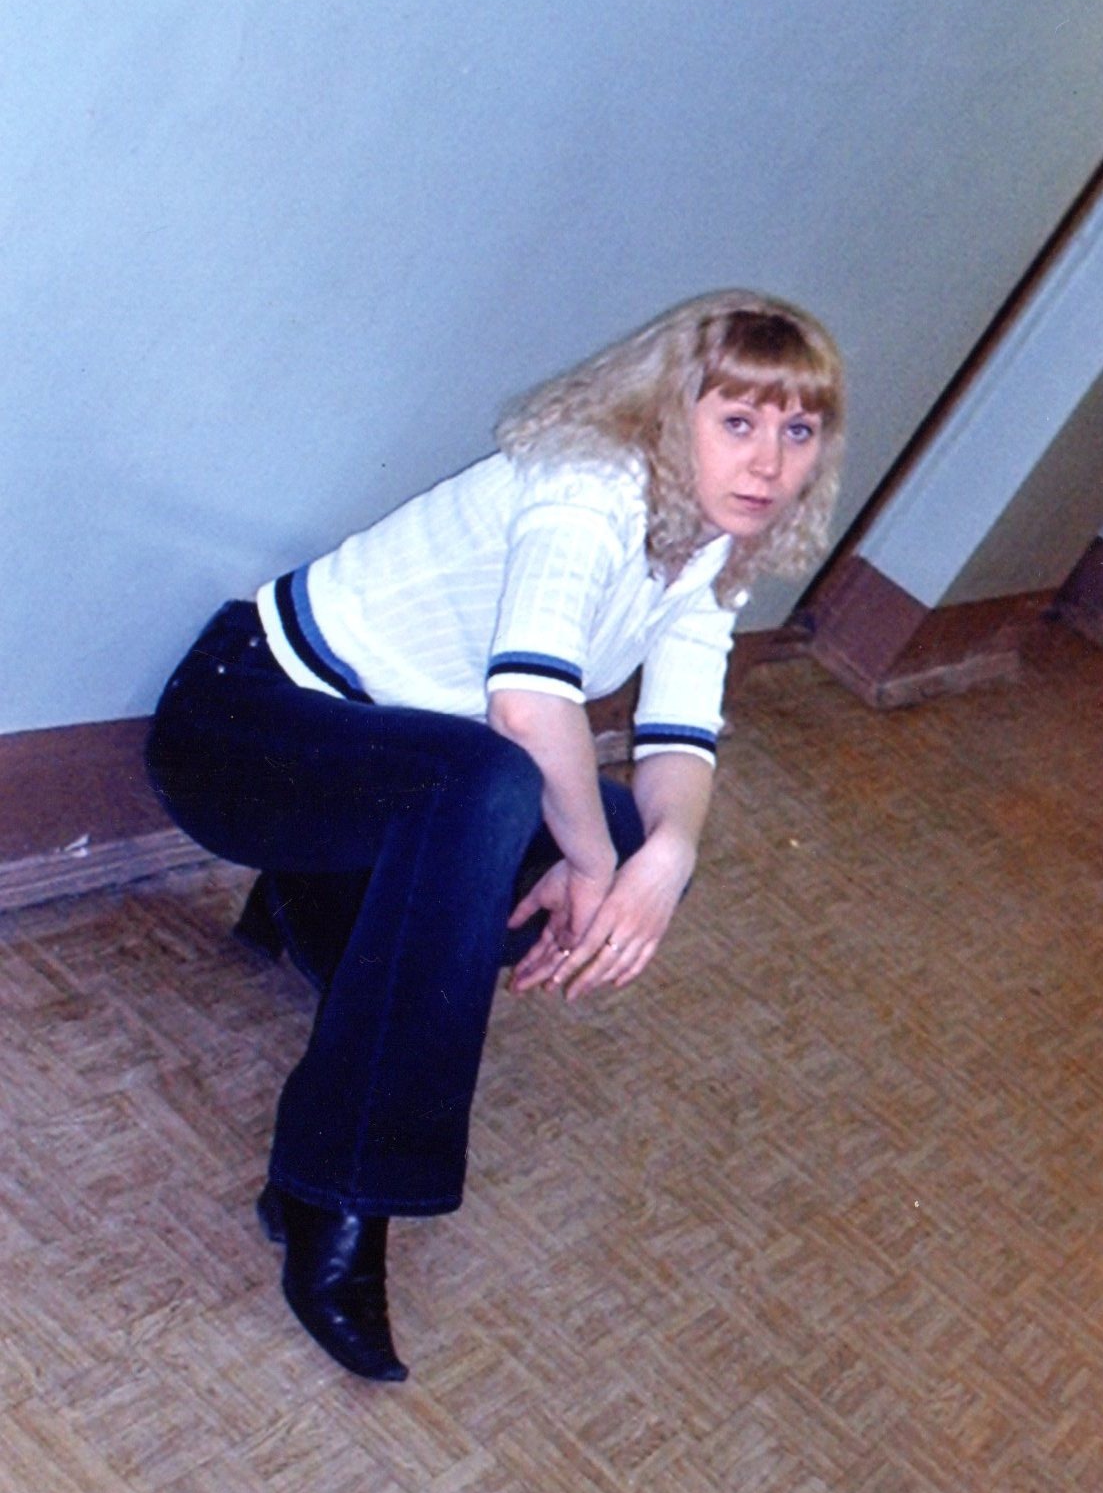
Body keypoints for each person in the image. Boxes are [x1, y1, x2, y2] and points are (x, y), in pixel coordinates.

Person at [145, 290, 845, 1381]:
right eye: (738, 421)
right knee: (498, 788)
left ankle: (311, 899)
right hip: (243, 726)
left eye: (797, 431)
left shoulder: (709, 544)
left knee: (622, 830)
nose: (767, 461)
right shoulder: (587, 482)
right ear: (672, 410)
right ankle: (334, 1191)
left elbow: (680, 739)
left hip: (379, 784)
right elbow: (526, 706)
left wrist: (662, 863)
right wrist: (595, 865)